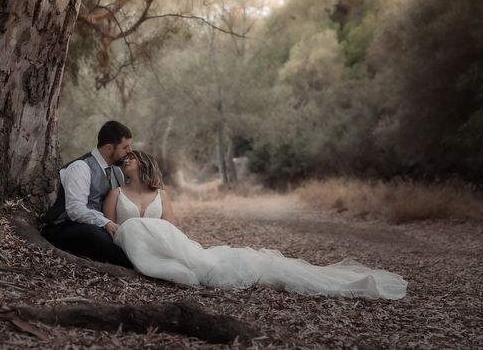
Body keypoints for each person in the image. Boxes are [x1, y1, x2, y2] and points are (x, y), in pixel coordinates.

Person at [105, 150, 408, 300]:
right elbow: (110, 224)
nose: (126, 160)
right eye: (125, 158)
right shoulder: (116, 193)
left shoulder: (162, 194)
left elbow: (170, 228)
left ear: (143, 163)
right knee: (133, 228)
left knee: (220, 263)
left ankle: (198, 264)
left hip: (170, 246)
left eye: (131, 157)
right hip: (139, 247)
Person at [41, 121, 134, 268]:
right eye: (125, 147)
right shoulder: (81, 167)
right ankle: (134, 266)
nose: (130, 151)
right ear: (109, 148)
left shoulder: (117, 171)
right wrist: (105, 223)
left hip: (98, 228)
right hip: (65, 227)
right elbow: (75, 209)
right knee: (94, 235)